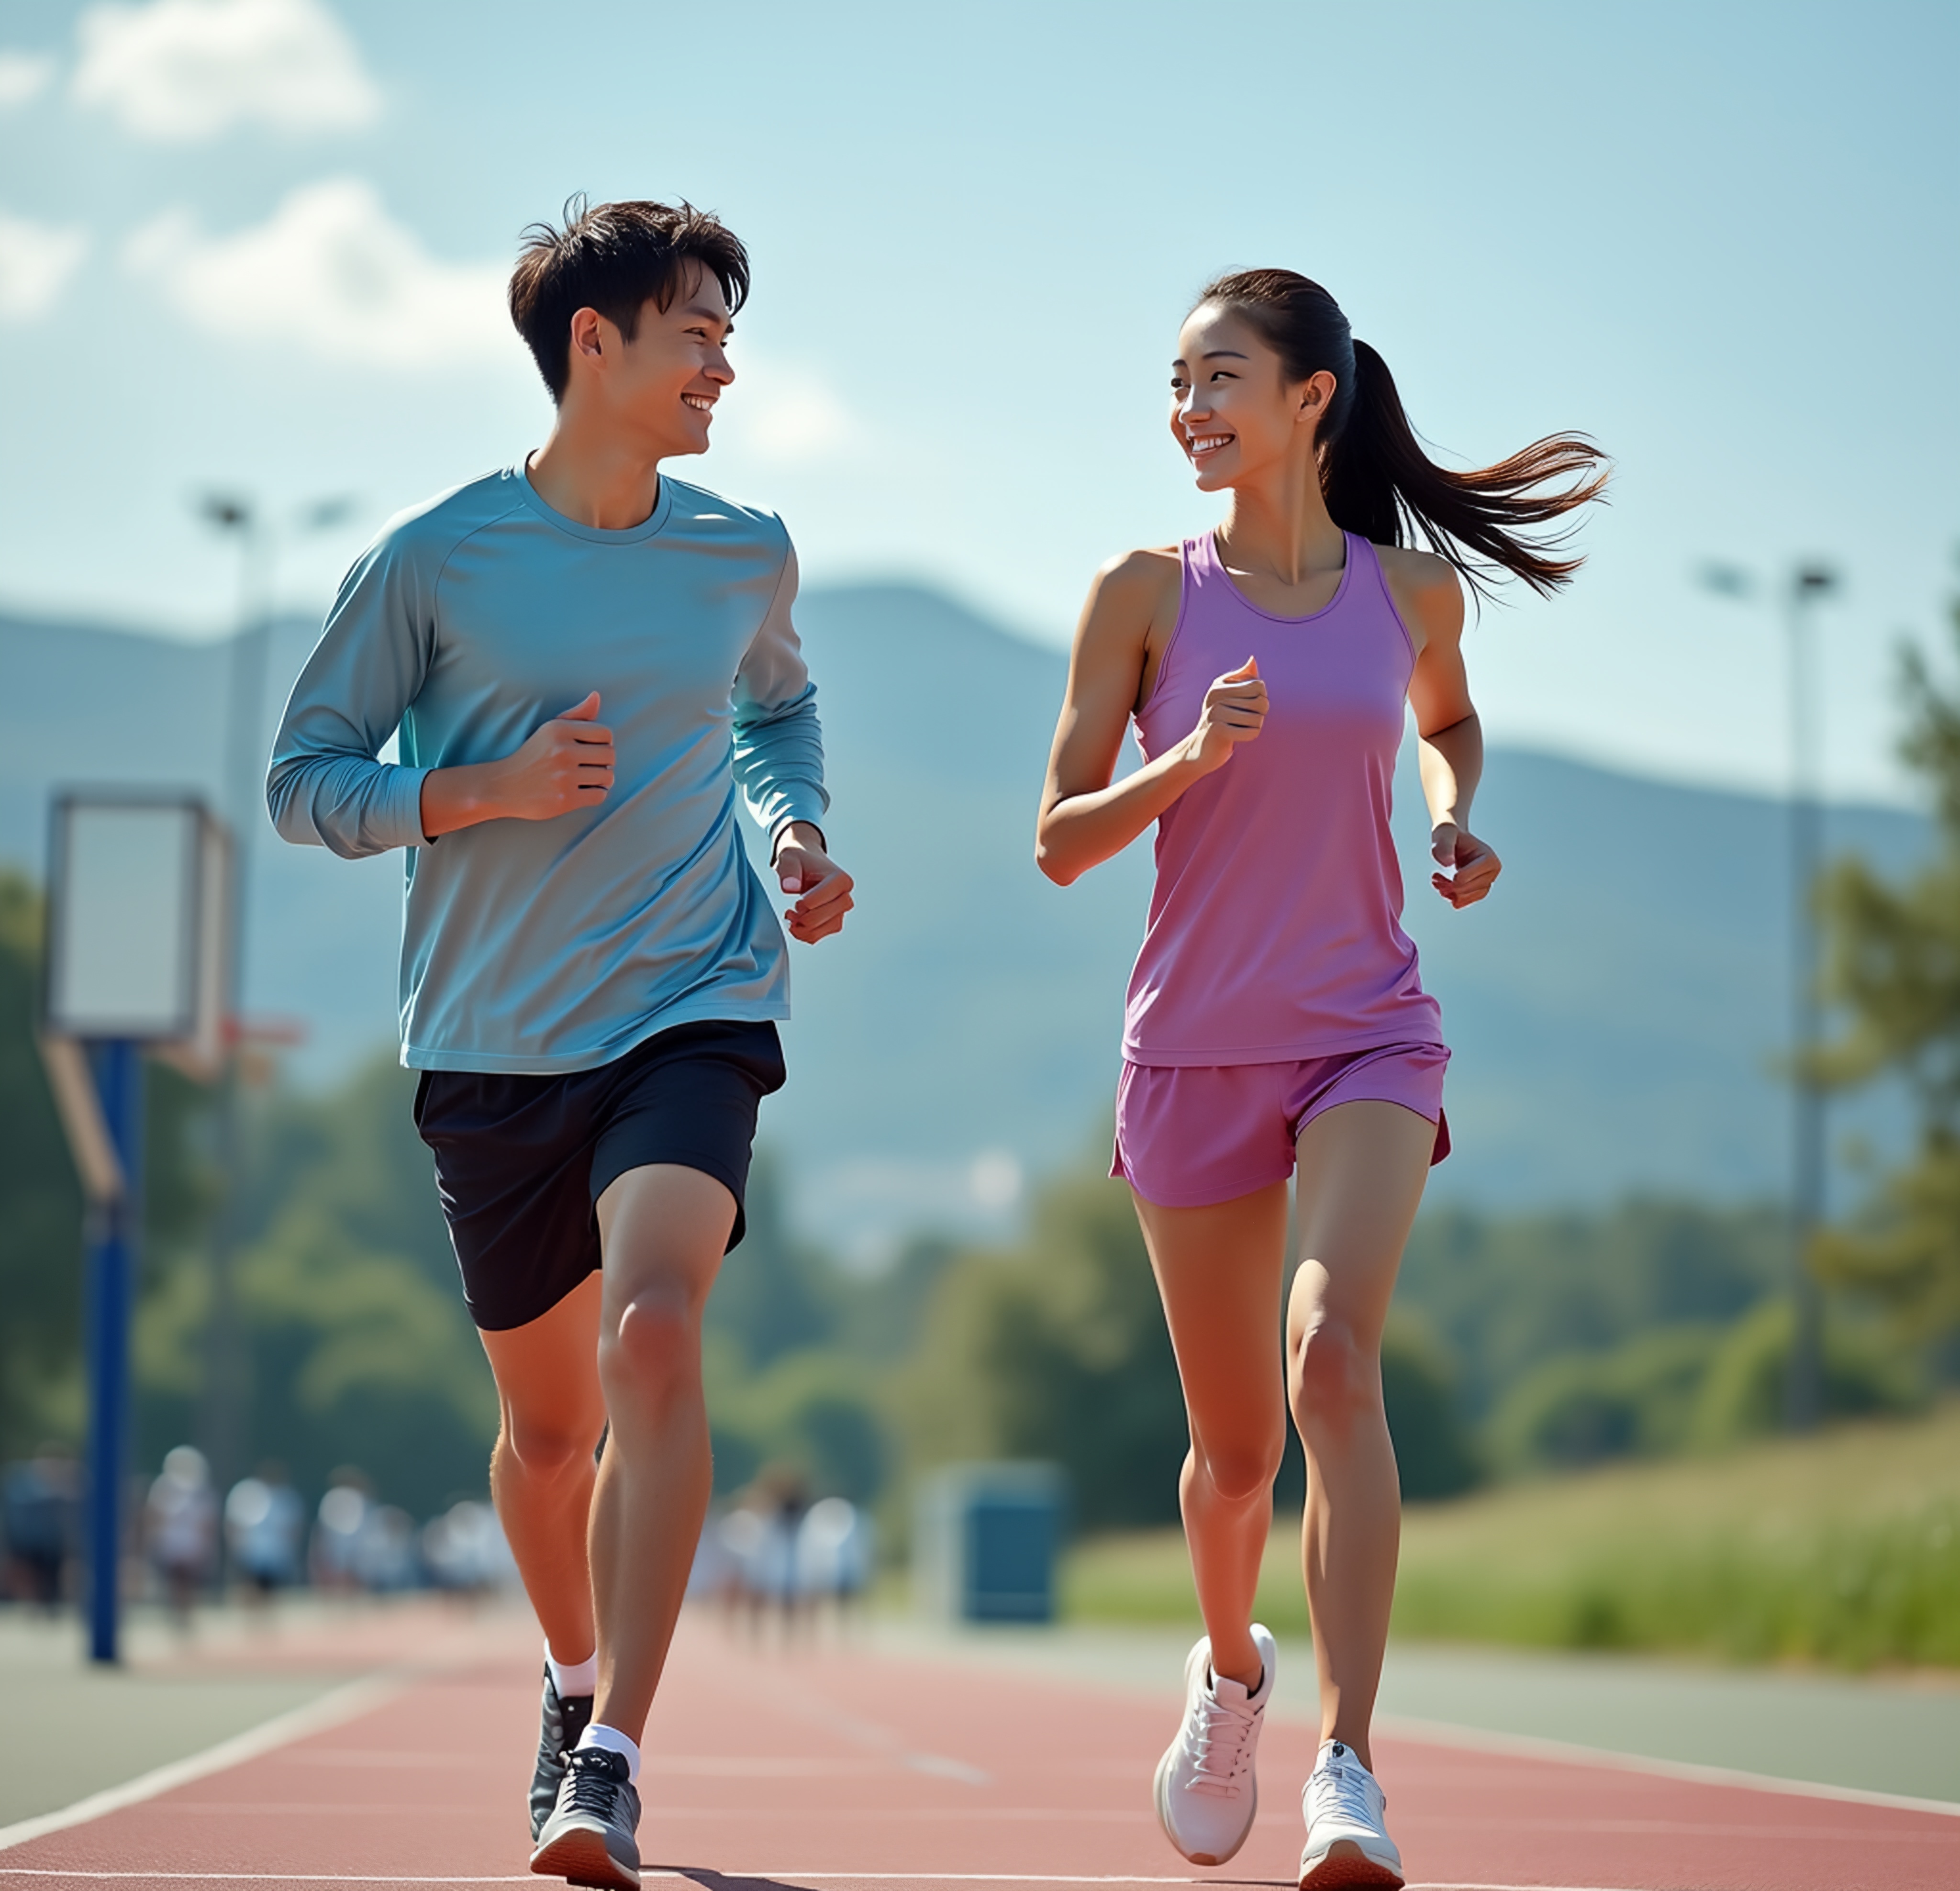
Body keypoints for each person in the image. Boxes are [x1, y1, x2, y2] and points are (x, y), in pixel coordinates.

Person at [267, 197, 853, 1891]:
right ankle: (571, 1671)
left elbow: (777, 708)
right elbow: (306, 780)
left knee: (656, 1336)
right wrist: (476, 794)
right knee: (544, 1441)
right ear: (592, 344)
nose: (722, 368)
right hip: (491, 1041)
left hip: (695, 999)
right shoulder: (437, 558)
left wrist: (793, 828)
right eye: (695, 335)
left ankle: (609, 1762)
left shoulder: (744, 547)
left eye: (729, 339)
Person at [1036, 269, 1604, 1890]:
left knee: (1331, 1363)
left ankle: (1347, 1771)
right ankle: (1233, 1676)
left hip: (1369, 1025)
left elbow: (1453, 721)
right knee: (1231, 1462)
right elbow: (1060, 842)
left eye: (1221, 378)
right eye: (1177, 382)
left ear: (1311, 399)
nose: (1189, 410)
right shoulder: (1143, 593)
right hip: (1193, 1046)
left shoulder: (1413, 597)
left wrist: (1453, 809)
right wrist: (1187, 760)